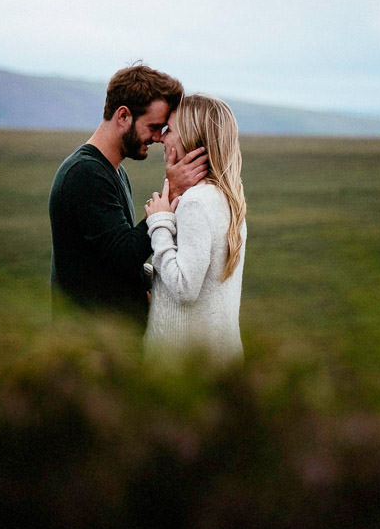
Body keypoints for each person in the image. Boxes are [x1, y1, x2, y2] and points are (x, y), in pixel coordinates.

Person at [48, 63, 207, 324]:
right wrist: (173, 191)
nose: (158, 137)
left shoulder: (114, 172)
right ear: (123, 116)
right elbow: (123, 255)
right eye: (154, 126)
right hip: (91, 345)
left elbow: (110, 260)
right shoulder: (85, 172)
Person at [142, 93, 247, 363]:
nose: (162, 138)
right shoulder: (227, 197)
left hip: (187, 365)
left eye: (171, 130)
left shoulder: (196, 203)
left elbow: (185, 286)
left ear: (191, 139)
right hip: (219, 358)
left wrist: (160, 224)